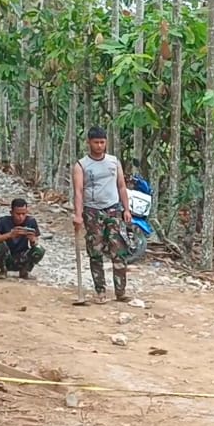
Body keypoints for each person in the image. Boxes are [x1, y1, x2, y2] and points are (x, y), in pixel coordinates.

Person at [72, 127, 132, 303]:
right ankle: (100, 291)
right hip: (92, 211)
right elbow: (78, 191)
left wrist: (126, 209)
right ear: (88, 143)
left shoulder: (114, 162)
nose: (99, 146)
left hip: (113, 209)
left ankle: (120, 291)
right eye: (96, 142)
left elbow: (121, 186)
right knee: (95, 250)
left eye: (102, 142)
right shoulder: (81, 165)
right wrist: (78, 215)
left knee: (119, 249)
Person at [0, 198, 47, 279]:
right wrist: (9, 235)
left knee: (39, 249)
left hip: (22, 257)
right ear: (11, 213)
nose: (21, 217)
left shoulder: (31, 221)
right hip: (7, 256)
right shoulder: (3, 221)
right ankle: (3, 270)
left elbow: (35, 242)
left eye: (23, 214)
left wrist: (32, 240)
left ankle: (25, 271)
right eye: (18, 214)